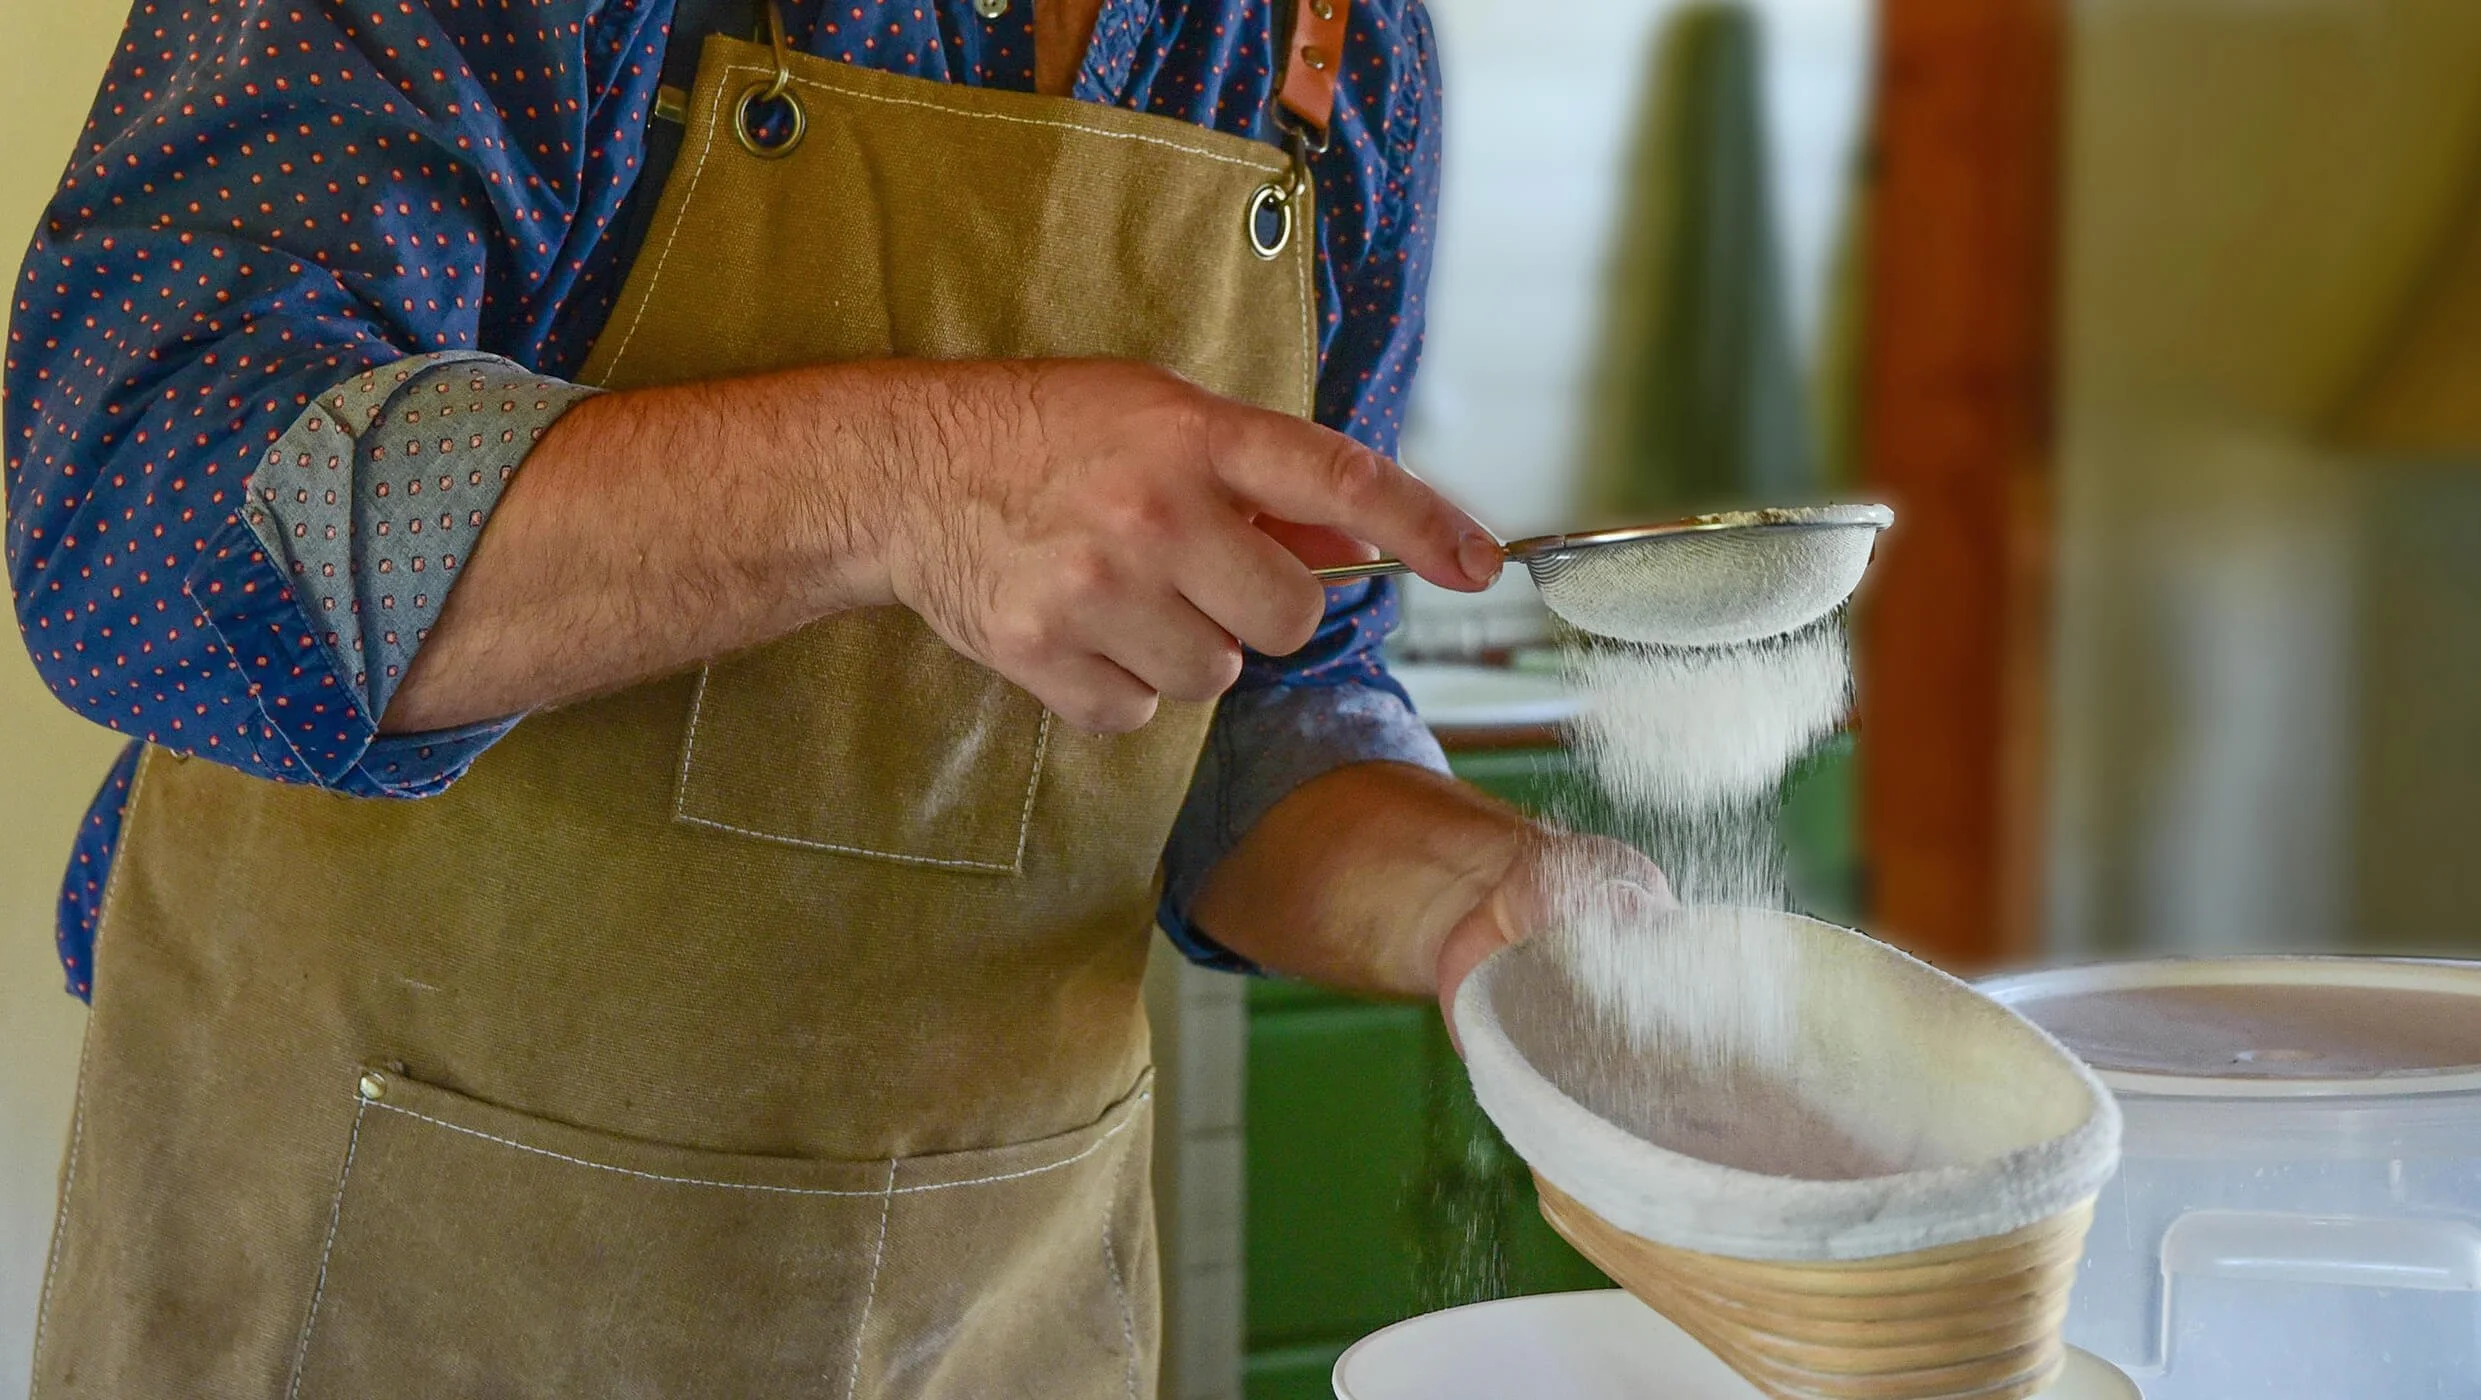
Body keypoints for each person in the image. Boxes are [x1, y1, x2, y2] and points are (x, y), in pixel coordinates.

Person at [5, 1, 1657, 1394]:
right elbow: (142, 511)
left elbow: (1255, 715)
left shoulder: (1336, 55)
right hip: (370, 1290)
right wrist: (907, 482)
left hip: (993, 1322)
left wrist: (1474, 900)